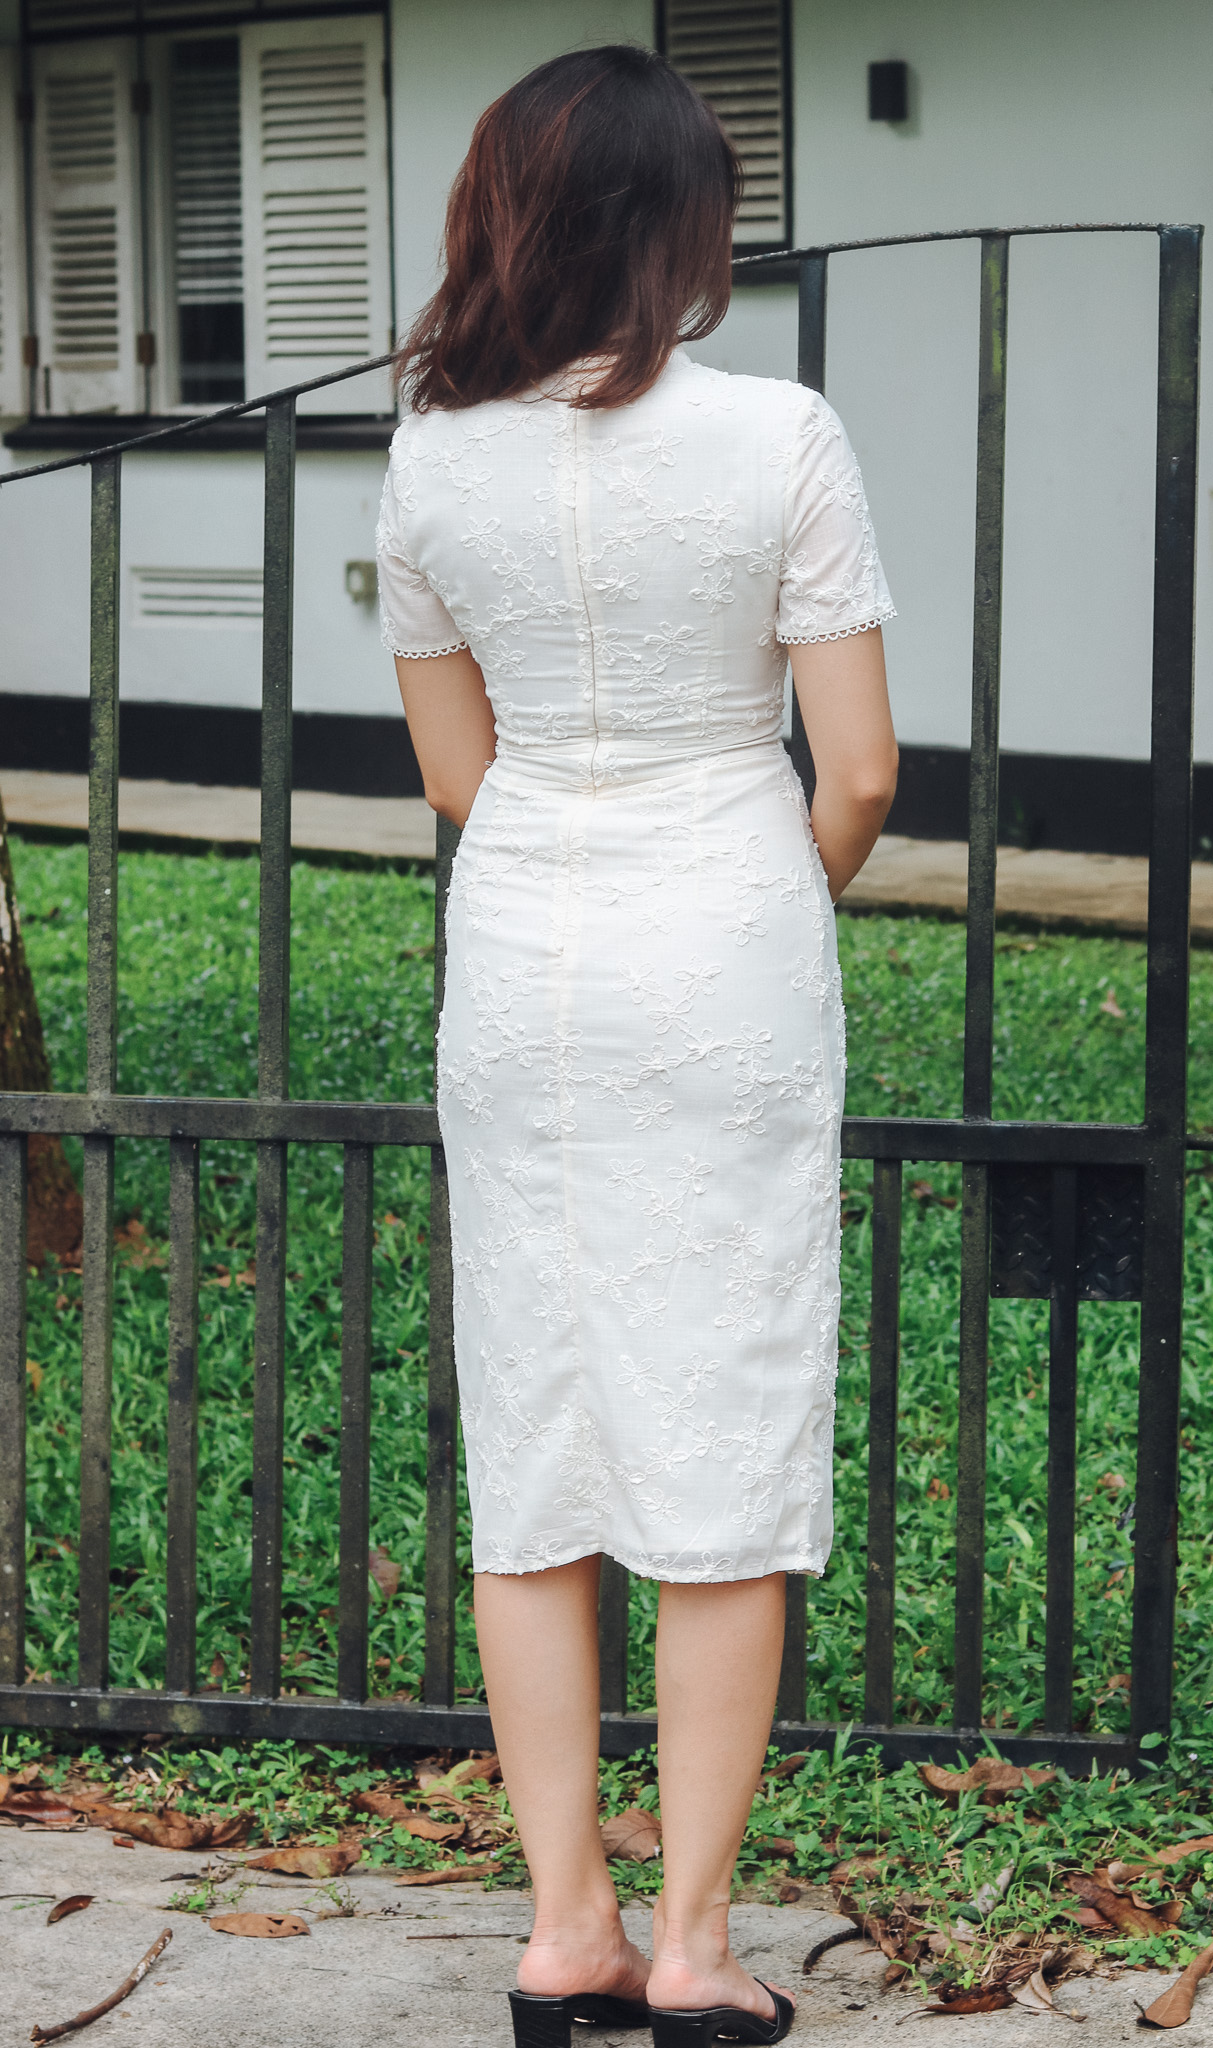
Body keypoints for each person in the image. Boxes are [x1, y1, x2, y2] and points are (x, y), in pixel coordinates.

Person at [378, 44, 898, 2048]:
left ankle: (561, 1927)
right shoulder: (783, 438)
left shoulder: (434, 459)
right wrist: (758, 888)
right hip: (727, 932)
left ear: (503, 210)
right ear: (682, 233)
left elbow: (453, 774)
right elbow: (851, 773)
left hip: (527, 957)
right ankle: (691, 1945)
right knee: (724, 1433)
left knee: (543, 1435)